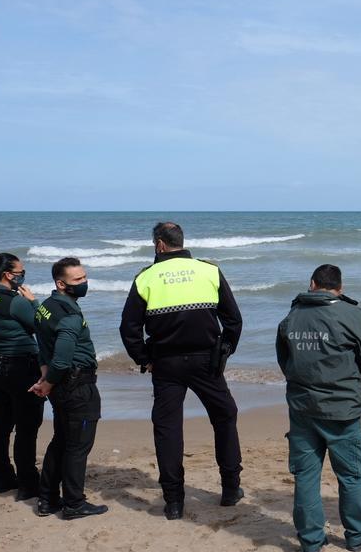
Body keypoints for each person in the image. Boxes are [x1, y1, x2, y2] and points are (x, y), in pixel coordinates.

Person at [119, 222, 244, 520]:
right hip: (206, 361)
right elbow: (234, 320)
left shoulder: (146, 277)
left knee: (168, 429)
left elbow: (129, 327)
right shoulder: (209, 270)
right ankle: (230, 489)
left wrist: (143, 358)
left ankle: (174, 502)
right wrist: (225, 351)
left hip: (166, 363)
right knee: (225, 416)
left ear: (159, 244)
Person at [276, 264, 361, 552]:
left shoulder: (292, 315)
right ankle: (357, 536)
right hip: (342, 408)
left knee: (306, 475)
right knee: (350, 474)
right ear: (340, 287)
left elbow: (285, 362)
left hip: (303, 407)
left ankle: (311, 541)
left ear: (312, 284)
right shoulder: (349, 314)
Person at [28, 257, 108, 520]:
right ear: (61, 283)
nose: (84, 283)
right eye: (78, 280)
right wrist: (47, 383)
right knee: (78, 446)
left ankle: (47, 499)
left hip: (61, 386)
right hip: (77, 387)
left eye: (84, 277)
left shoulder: (45, 307)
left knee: (61, 441)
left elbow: (42, 345)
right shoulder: (69, 315)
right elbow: (61, 357)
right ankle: (74, 503)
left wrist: (44, 376)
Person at [0, 253, 45, 499]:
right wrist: (34, 302)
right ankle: (28, 484)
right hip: (20, 367)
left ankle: (2, 478)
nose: (23, 275)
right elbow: (44, 325)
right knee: (27, 428)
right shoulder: (15, 301)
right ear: (8, 274)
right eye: (20, 271)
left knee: (1, 425)